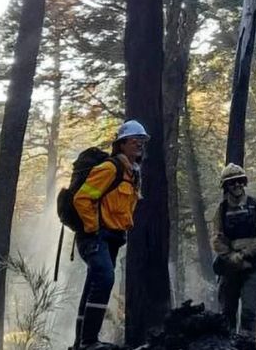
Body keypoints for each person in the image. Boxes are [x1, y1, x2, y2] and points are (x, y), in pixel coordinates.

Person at [71, 120, 149, 350]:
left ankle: (81, 343)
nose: (139, 143)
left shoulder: (132, 174)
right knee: (105, 278)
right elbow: (82, 199)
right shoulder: (110, 169)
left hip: (112, 238)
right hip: (95, 237)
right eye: (134, 139)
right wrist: (93, 228)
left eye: (142, 140)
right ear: (121, 144)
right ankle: (89, 342)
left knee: (93, 282)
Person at [210, 163, 256, 340]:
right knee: (227, 313)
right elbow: (217, 239)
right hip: (230, 269)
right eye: (232, 182)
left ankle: (247, 344)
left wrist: (244, 255)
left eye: (239, 181)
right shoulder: (221, 211)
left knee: (250, 311)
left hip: (254, 266)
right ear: (226, 186)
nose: (236, 185)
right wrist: (230, 257)